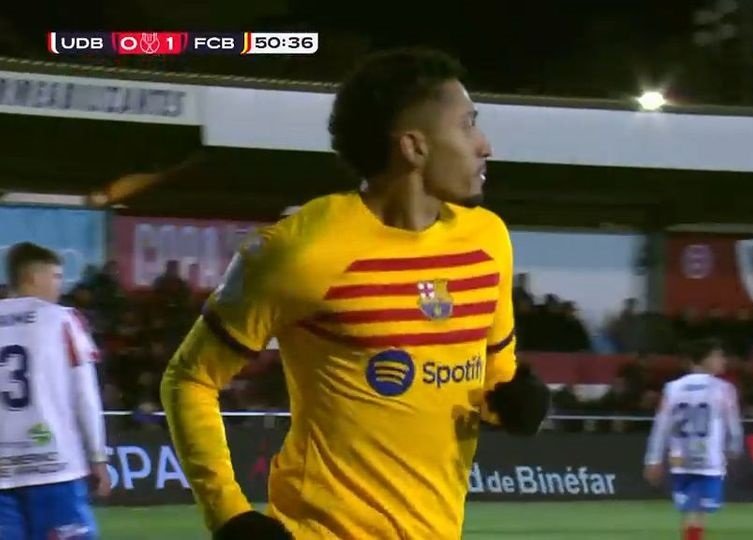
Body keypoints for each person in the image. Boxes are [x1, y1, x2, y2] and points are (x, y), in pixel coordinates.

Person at [161, 47, 550, 540]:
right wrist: (230, 516)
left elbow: (494, 374)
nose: (485, 145)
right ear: (414, 147)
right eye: (468, 125)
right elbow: (189, 379)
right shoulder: (299, 251)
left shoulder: (488, 240)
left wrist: (512, 403)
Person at [0, 242, 110, 539]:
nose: (60, 285)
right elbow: (85, 395)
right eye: (56, 276)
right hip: (56, 468)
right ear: (32, 278)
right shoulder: (63, 319)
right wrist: (97, 456)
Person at [644, 338, 744, 540]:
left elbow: (661, 426)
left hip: (680, 459)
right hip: (710, 459)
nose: (723, 361)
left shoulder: (672, 388)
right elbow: (733, 424)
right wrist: (735, 446)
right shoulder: (724, 389)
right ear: (705, 359)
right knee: (699, 511)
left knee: (691, 510)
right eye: (718, 356)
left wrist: (653, 459)